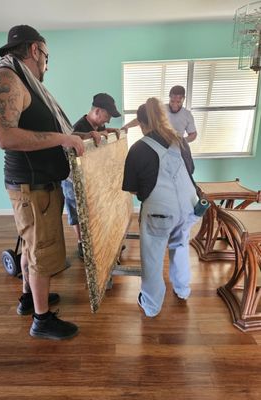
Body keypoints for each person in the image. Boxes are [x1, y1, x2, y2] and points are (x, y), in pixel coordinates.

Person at [0, 25, 102, 340]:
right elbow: (5, 136)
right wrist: (64, 137)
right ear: (34, 50)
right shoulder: (6, 79)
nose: (47, 65)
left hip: (38, 186)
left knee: (30, 247)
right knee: (41, 252)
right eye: (47, 57)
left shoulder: (24, 81)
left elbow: (49, 130)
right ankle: (42, 319)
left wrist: (82, 136)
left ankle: (28, 298)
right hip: (32, 187)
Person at [122, 97, 200, 317]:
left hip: (160, 213)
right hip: (188, 207)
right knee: (181, 247)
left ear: (141, 123)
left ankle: (151, 305)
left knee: (153, 258)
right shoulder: (180, 140)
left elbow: (133, 190)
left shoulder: (138, 149)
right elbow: (190, 170)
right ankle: (183, 290)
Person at [62, 93, 121, 259]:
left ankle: (93, 240)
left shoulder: (98, 126)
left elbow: (101, 135)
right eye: (107, 116)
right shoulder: (79, 127)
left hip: (88, 177)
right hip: (71, 179)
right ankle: (82, 243)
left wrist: (107, 131)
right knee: (76, 212)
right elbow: (71, 137)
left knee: (90, 211)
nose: (108, 121)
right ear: (97, 111)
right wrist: (86, 136)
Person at [122, 85, 197, 143]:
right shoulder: (161, 109)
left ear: (183, 99)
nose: (174, 105)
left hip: (177, 148)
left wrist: (182, 141)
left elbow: (193, 134)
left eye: (178, 102)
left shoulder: (187, 115)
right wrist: (127, 126)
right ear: (169, 97)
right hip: (159, 145)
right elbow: (142, 118)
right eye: (172, 101)